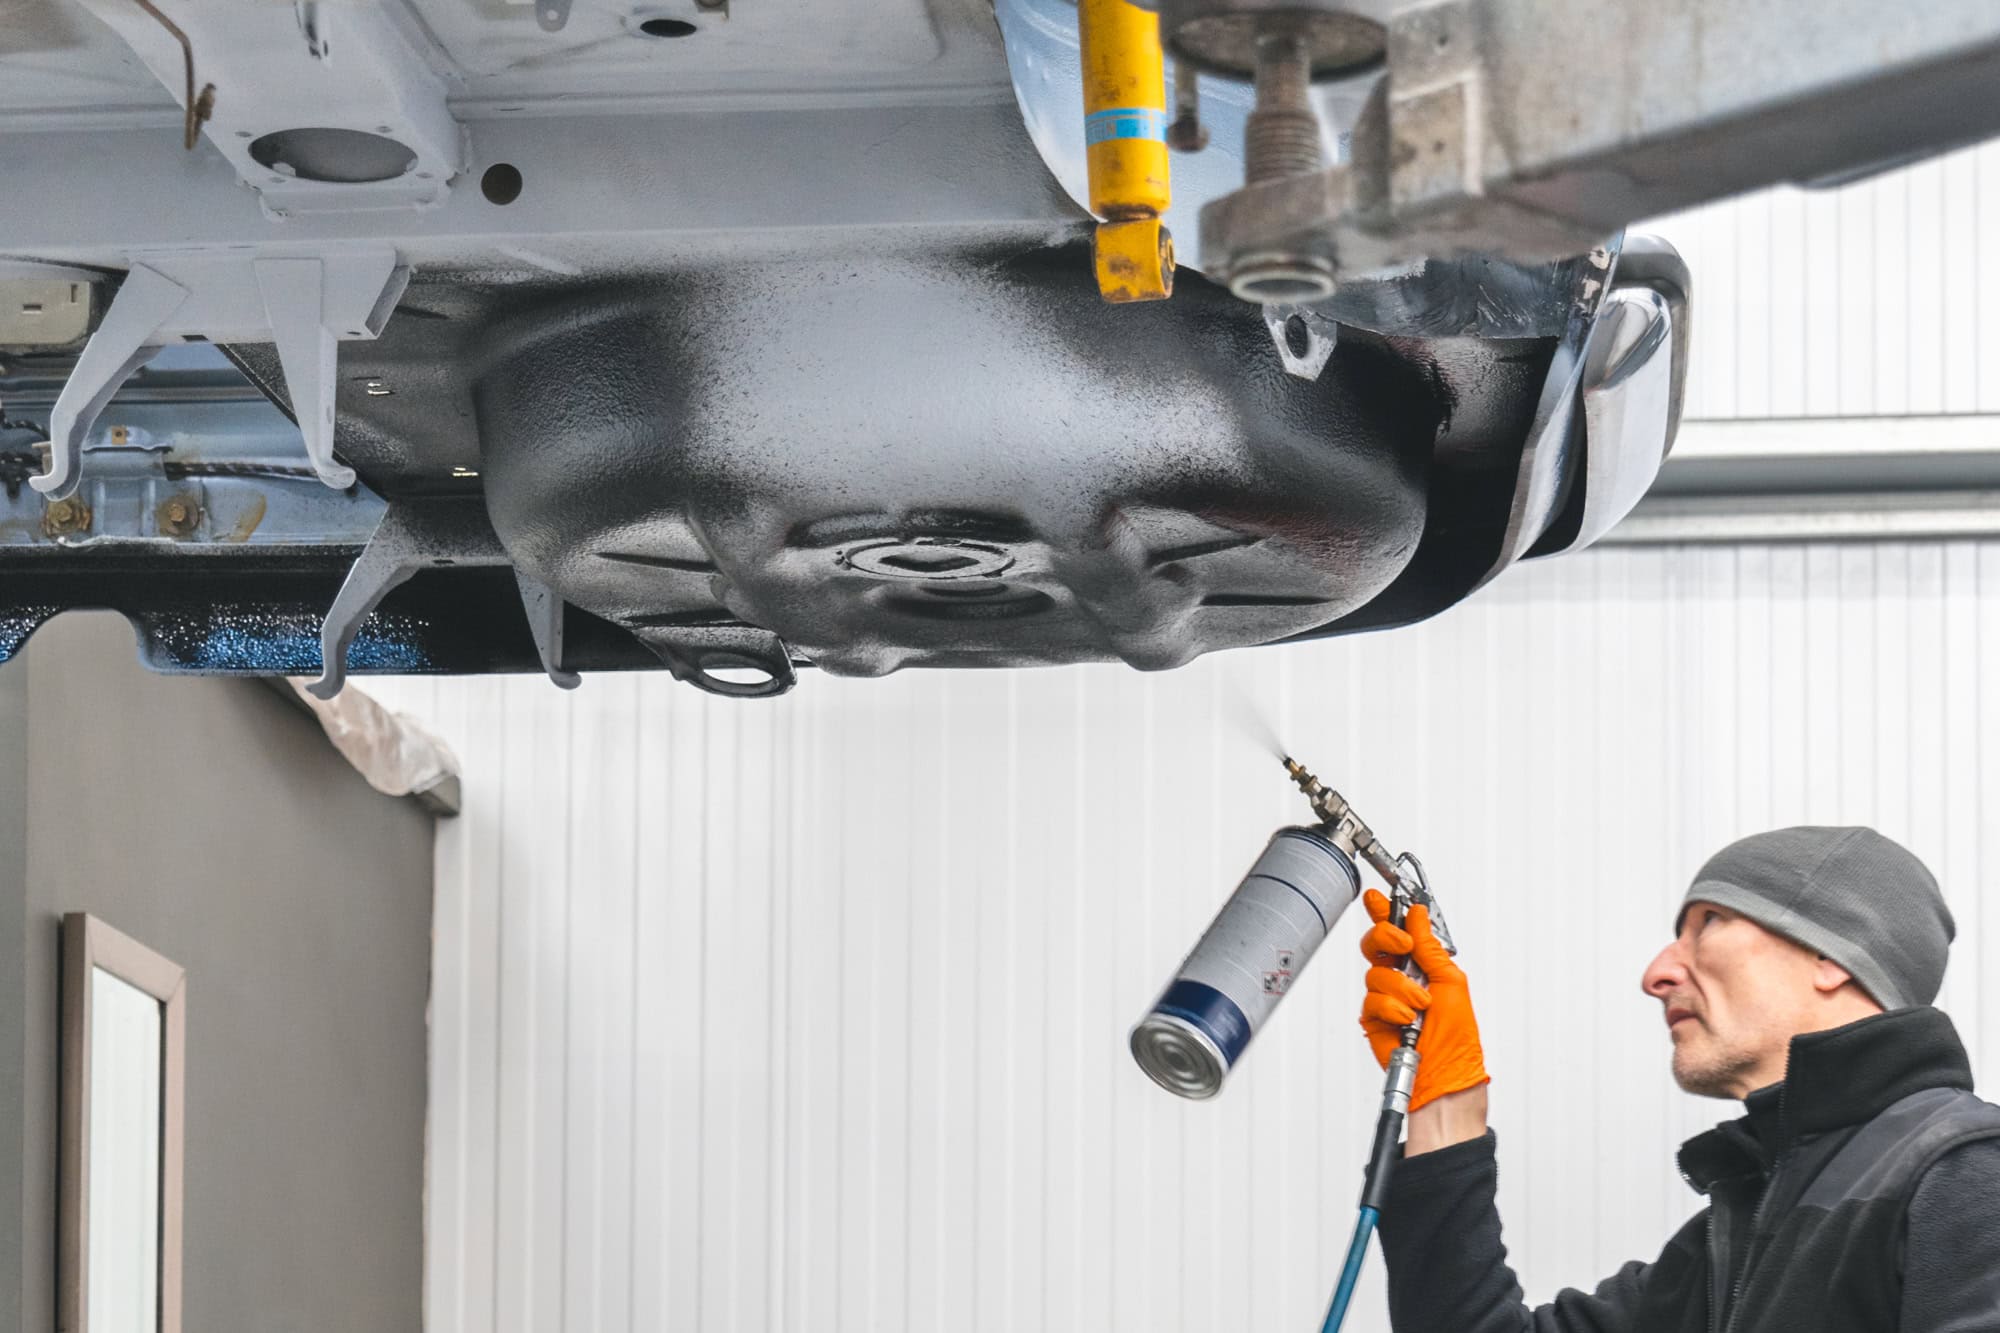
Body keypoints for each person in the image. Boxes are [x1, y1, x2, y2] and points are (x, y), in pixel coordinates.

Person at [1356, 825, 2000, 1333]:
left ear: (1831, 956)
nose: (1656, 973)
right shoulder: (1727, 1243)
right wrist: (1447, 1105)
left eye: (1709, 924)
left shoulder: (1968, 1171)